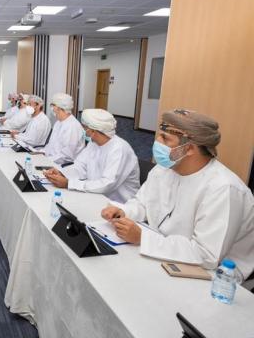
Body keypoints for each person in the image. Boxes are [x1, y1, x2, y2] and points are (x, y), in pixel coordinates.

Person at [101, 109, 254, 277]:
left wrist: (143, 238)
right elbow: (143, 203)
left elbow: (206, 255)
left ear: (189, 148)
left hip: (215, 276)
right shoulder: (164, 169)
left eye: (165, 138)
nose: (157, 141)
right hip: (164, 251)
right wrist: (124, 212)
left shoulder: (223, 189)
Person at [43, 108, 139, 203]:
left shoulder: (119, 149)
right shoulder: (93, 143)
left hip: (118, 205)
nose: (84, 131)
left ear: (93, 131)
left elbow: (107, 184)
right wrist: (61, 173)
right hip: (94, 195)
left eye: (85, 128)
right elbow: (80, 166)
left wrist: (69, 183)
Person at [42, 93, 85, 164]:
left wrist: (46, 160)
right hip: (50, 160)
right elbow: (50, 145)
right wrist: (40, 153)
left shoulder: (72, 126)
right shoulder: (58, 122)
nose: (52, 108)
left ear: (59, 108)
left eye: (53, 105)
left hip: (62, 165)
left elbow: (66, 156)